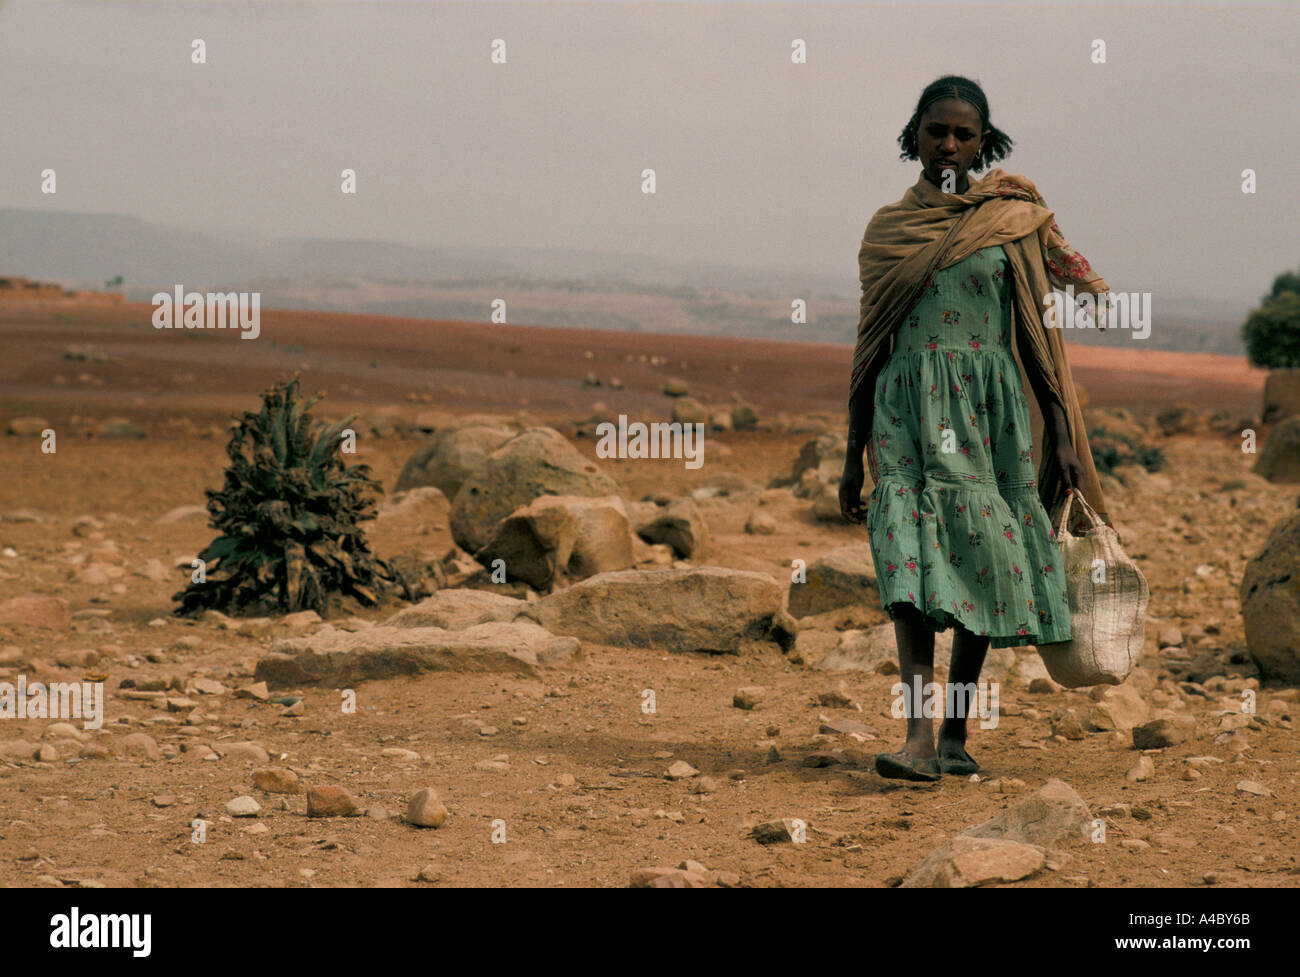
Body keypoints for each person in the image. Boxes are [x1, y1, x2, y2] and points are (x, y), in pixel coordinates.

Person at [839, 75, 1115, 782]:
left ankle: (956, 734)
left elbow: (1036, 334)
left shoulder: (1013, 221)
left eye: (966, 133)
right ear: (914, 137)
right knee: (908, 561)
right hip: (905, 410)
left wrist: (1060, 430)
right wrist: (851, 452)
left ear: (986, 140)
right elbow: (871, 343)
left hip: (989, 411)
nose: (951, 144)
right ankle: (918, 736)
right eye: (938, 131)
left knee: (981, 556)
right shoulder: (887, 230)